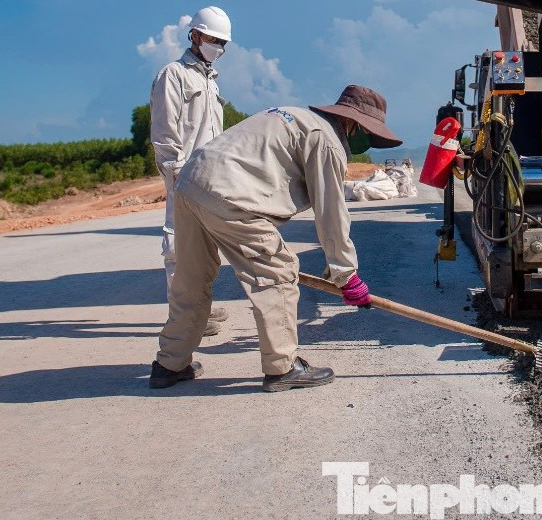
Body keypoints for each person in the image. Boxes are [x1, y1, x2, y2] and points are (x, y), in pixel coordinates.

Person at [148, 85, 402, 392]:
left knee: (192, 278)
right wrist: (346, 274)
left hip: (190, 182)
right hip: (231, 195)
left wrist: (337, 270)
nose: (368, 142)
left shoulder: (296, 117)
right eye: (369, 134)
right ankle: (282, 367)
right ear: (352, 123)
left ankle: (170, 364)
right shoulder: (327, 141)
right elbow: (331, 213)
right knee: (278, 273)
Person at [149, 5, 232, 337]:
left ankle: (201, 305)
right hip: (183, 174)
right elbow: (164, 130)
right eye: (213, 40)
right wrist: (176, 171)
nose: (219, 47)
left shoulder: (210, 80)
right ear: (195, 35)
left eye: (223, 43)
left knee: (205, 245)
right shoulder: (174, 75)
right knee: (179, 244)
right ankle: (182, 314)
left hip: (209, 176)